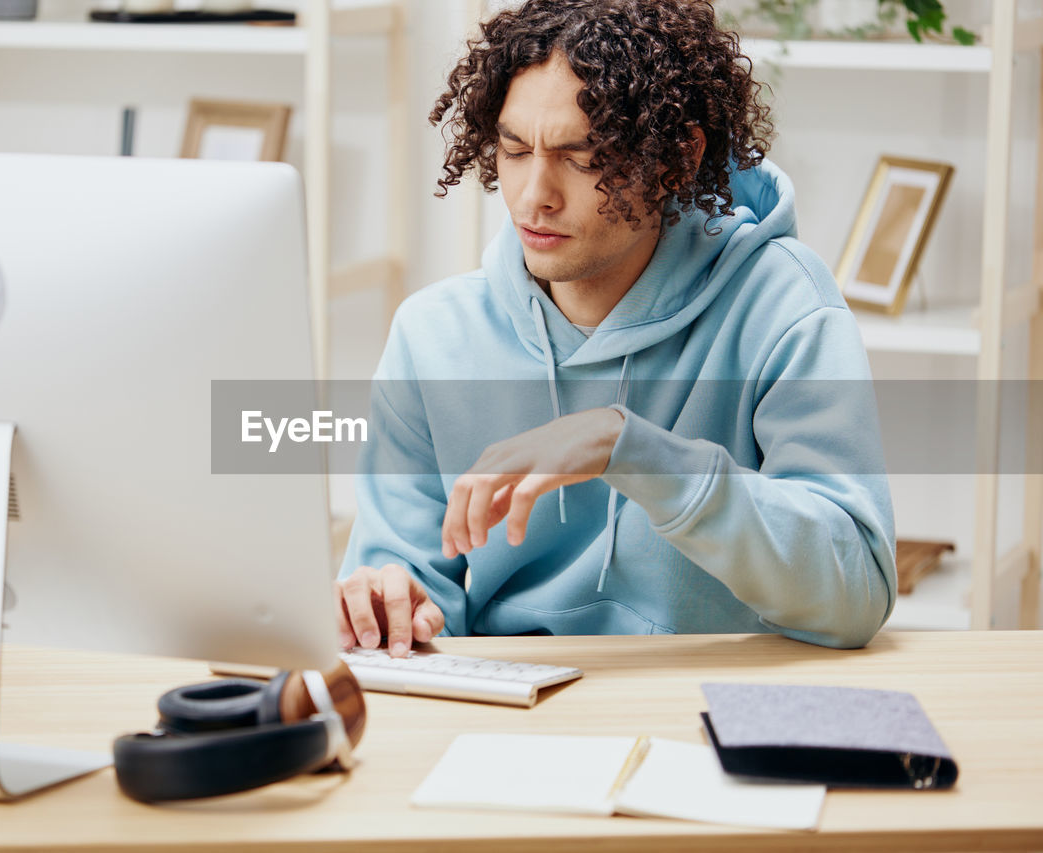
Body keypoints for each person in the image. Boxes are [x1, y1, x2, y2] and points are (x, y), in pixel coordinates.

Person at [335, 0, 896, 656]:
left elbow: (857, 593)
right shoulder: (433, 336)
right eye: (514, 150)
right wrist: (391, 604)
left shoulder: (782, 306)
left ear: (678, 159)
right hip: (508, 716)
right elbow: (413, 585)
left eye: (580, 157)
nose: (532, 195)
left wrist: (633, 451)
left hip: (708, 710)